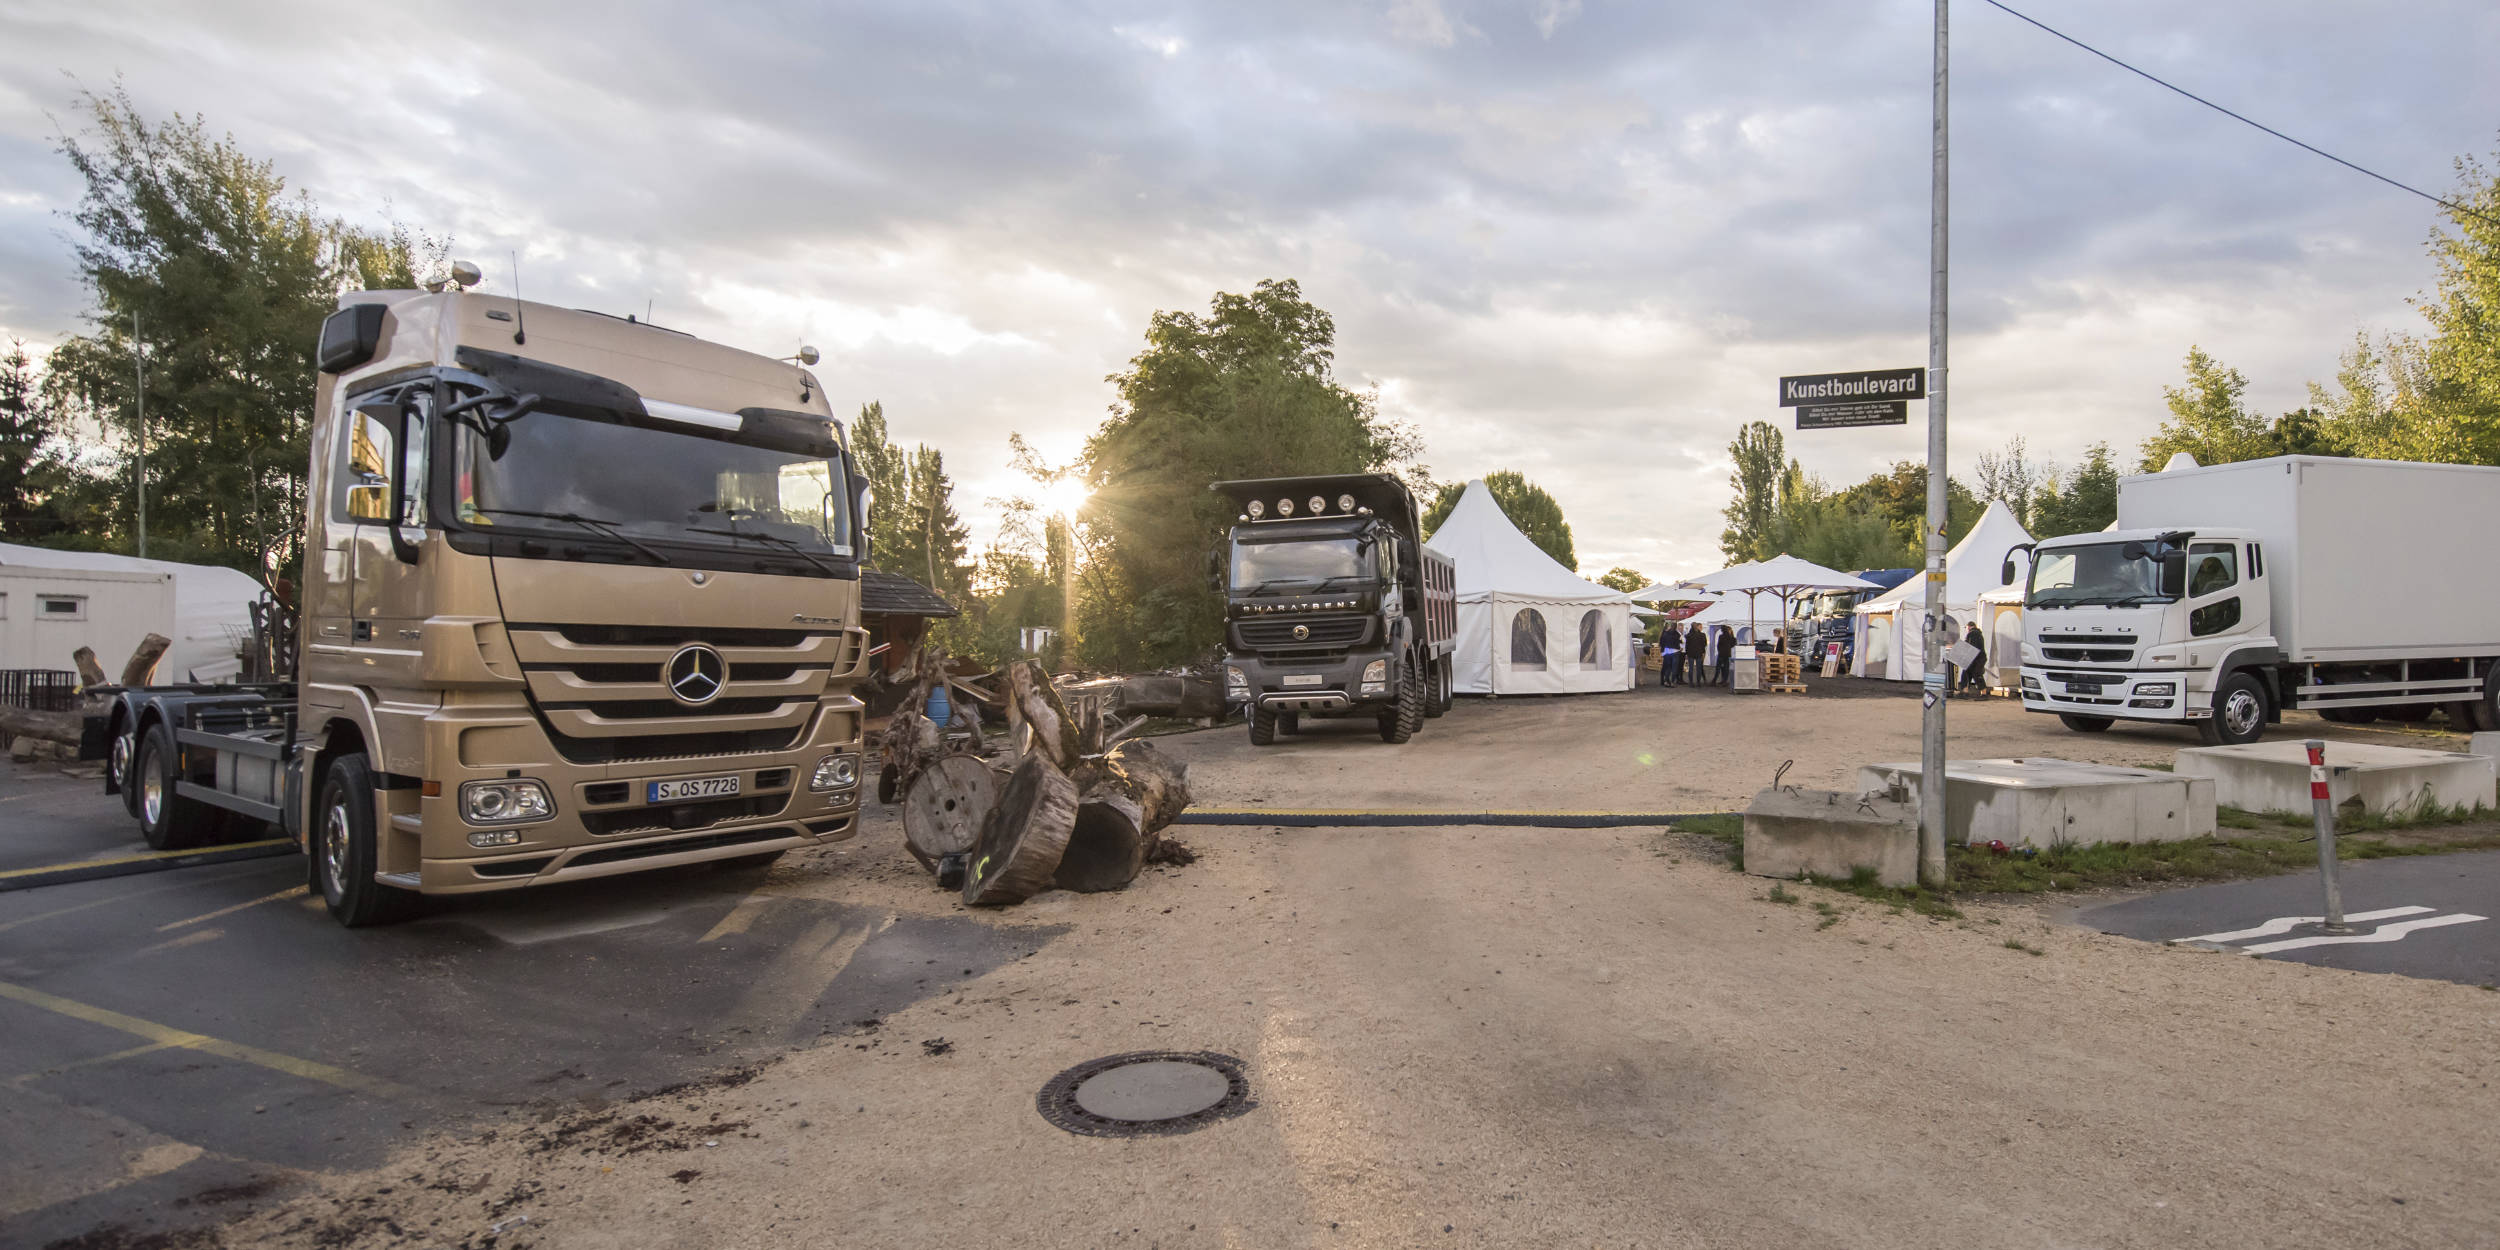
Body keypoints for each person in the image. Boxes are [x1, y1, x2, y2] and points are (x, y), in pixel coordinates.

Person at [1960, 621, 1990, 695]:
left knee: (1975, 674)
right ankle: (1966, 691)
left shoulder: (1972, 633)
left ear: (1969, 626)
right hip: (1979, 657)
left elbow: (1970, 646)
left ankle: (1983, 693)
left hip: (1975, 657)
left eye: (1966, 628)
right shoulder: (1978, 633)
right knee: (1970, 673)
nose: (1966, 629)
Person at [1684, 622, 1708, 687]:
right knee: (1699, 668)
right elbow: (1704, 644)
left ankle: (1691, 682)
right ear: (1697, 627)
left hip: (1690, 653)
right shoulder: (1702, 635)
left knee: (1691, 669)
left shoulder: (1688, 635)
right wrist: (1703, 651)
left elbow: (1687, 645)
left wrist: (1686, 653)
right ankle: (1698, 682)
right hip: (1699, 653)